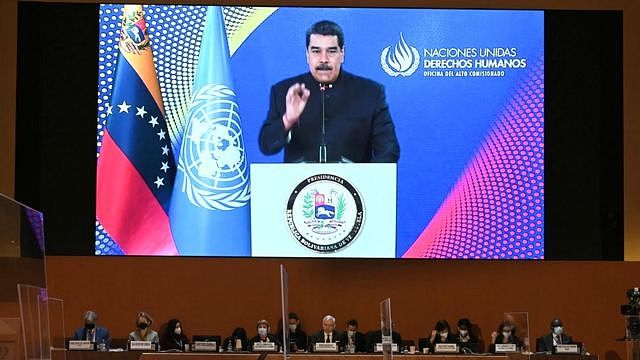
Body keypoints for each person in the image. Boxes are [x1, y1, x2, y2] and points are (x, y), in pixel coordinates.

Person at [258, 20, 400, 163]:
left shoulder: (371, 93)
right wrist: (288, 119)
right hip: (301, 185)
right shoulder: (285, 91)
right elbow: (267, 146)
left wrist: (365, 179)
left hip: (353, 184)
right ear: (307, 54)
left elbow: (389, 150)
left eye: (331, 51)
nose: (324, 59)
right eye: (316, 51)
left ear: (342, 53)